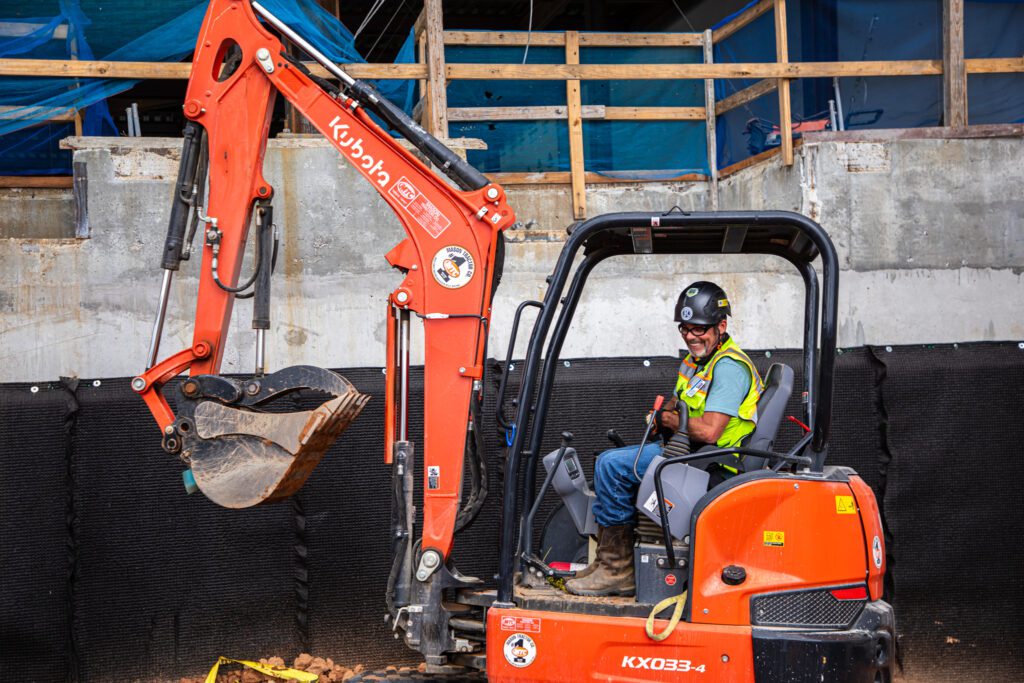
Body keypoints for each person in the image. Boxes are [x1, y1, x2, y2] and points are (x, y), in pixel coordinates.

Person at [564, 281, 764, 597]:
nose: (691, 336)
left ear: (721, 326)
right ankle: (608, 561)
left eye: (699, 329)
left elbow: (710, 430)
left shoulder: (728, 367)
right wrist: (664, 415)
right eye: (685, 328)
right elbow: (675, 400)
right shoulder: (696, 361)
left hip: (709, 462)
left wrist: (667, 419)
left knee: (612, 467)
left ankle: (617, 570)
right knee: (609, 461)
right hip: (687, 450)